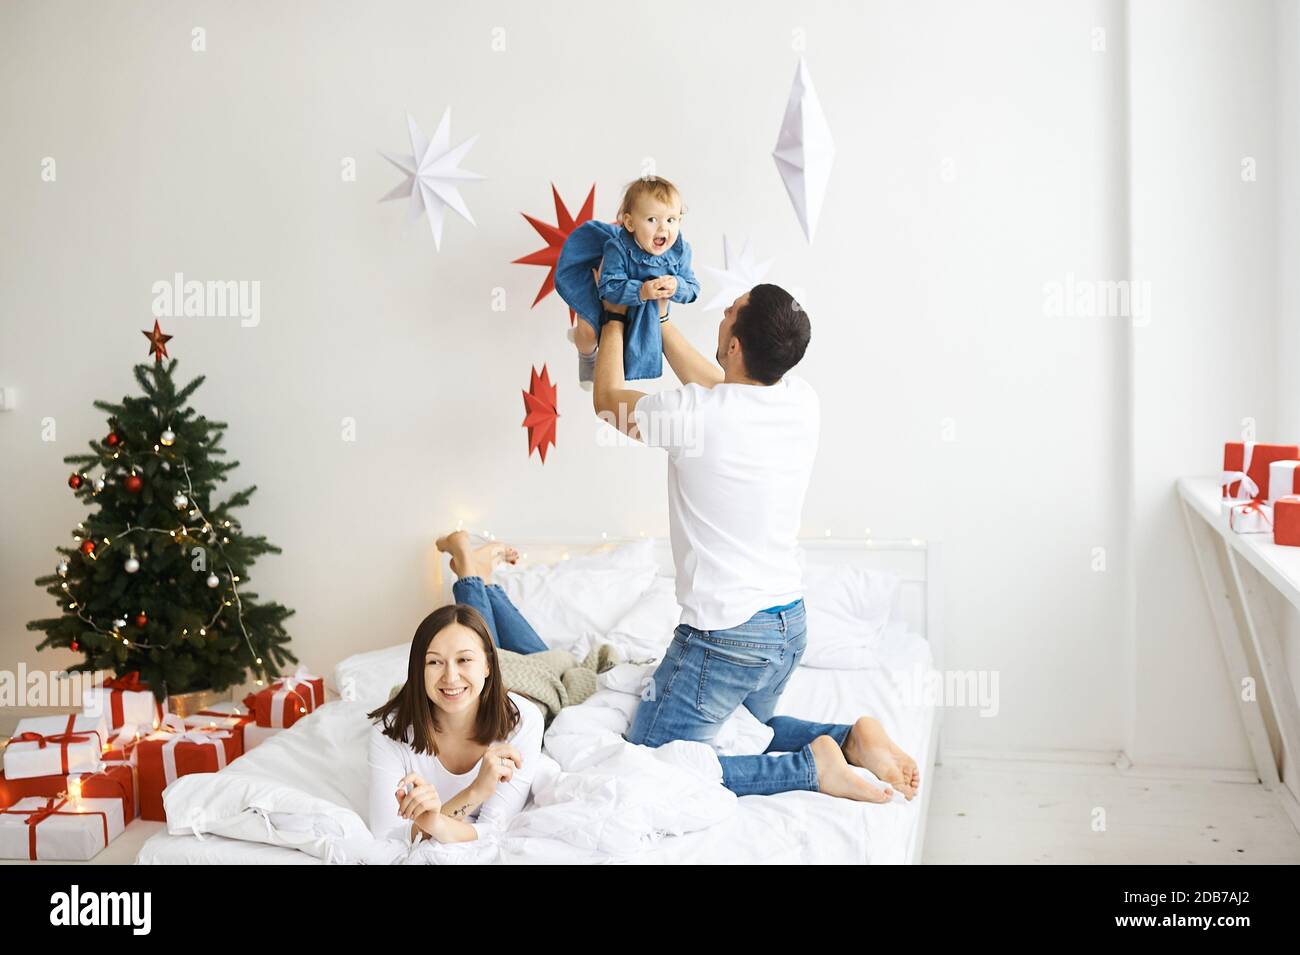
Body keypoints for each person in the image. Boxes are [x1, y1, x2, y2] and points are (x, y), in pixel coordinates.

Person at [592, 283, 920, 803]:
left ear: (737, 345)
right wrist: (663, 320)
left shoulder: (693, 415)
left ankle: (809, 769)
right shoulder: (800, 400)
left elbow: (608, 402)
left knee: (652, 766)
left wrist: (611, 316)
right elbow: (727, 388)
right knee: (749, 729)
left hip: (725, 640)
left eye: (730, 311)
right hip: (786, 628)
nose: (722, 313)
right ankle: (849, 741)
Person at [365, 533, 544, 845]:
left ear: (489, 666)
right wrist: (475, 791)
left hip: (539, 681)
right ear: (418, 669)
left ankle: (471, 567)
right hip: (487, 671)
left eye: (463, 660)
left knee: (535, 654)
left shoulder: (523, 719)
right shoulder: (388, 732)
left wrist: (432, 822)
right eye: (434, 662)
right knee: (476, 636)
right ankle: (480, 575)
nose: (450, 677)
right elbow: (387, 836)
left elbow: (496, 829)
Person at [555, 175, 700, 389]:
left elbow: (693, 288)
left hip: (644, 309)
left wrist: (677, 286)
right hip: (613, 295)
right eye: (652, 219)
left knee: (623, 343)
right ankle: (585, 355)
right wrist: (640, 291)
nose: (663, 229)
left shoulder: (680, 251)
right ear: (630, 223)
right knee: (589, 333)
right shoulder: (618, 248)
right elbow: (608, 287)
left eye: (671, 220)